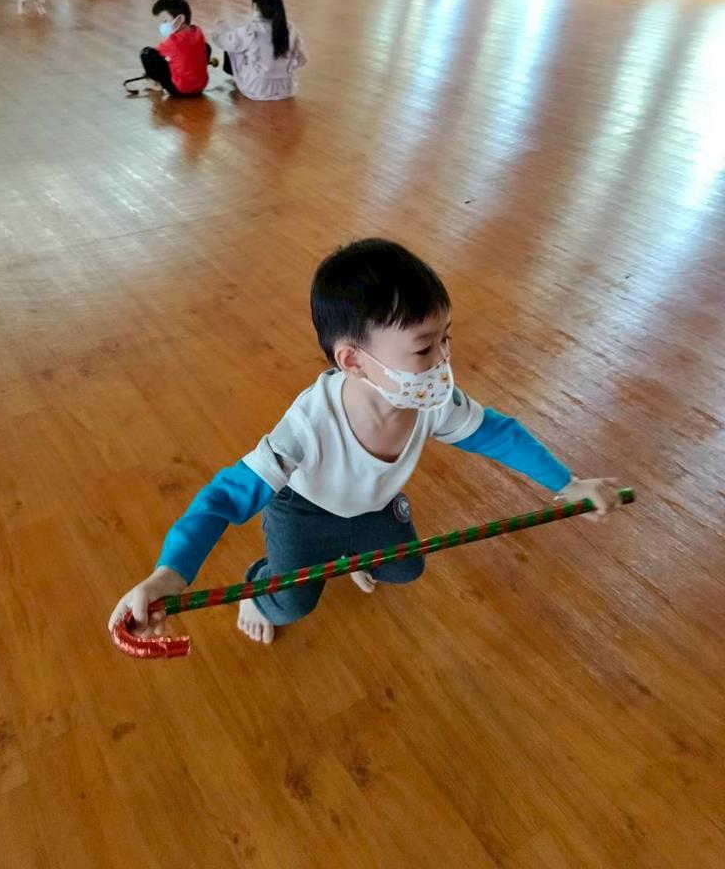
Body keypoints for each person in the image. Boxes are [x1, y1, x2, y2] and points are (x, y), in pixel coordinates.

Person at [108, 238, 620, 647]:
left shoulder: (433, 399)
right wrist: (170, 575)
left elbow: (496, 433)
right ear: (352, 361)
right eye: (424, 348)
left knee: (406, 568)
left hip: (373, 505)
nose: (443, 361)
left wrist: (568, 483)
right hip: (304, 513)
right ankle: (257, 589)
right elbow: (223, 498)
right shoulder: (310, 425)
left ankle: (351, 556)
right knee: (293, 603)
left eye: (445, 338)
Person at [212, 0, 306, 97]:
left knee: (234, 44)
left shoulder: (252, 30)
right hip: (286, 87)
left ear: (256, 5)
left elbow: (225, 42)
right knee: (242, 43)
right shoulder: (291, 29)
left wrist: (221, 26)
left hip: (257, 87)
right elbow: (302, 60)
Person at [124, 0, 212, 97]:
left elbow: (155, 54)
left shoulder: (173, 41)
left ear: (180, 19)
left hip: (179, 90)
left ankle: (155, 83)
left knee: (147, 53)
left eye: (165, 21)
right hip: (200, 87)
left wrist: (151, 73)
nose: (163, 25)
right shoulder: (197, 32)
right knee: (205, 47)